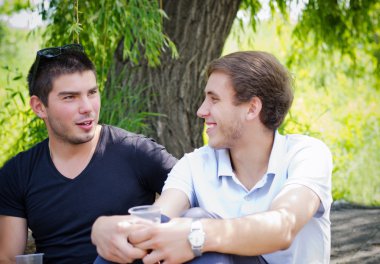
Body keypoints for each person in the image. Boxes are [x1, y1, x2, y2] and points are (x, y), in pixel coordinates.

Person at [91, 51, 333, 264]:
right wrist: (106, 228)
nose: (201, 111)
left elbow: (284, 226)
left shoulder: (306, 154)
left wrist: (198, 236)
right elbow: (160, 218)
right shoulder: (195, 164)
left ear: (252, 108)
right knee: (141, 241)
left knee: (197, 224)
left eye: (214, 99)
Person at [0, 44, 177, 264]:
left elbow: (195, 191)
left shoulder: (135, 152)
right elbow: (8, 257)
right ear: (39, 107)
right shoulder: (18, 173)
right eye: (70, 97)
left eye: (92, 93)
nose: (87, 107)